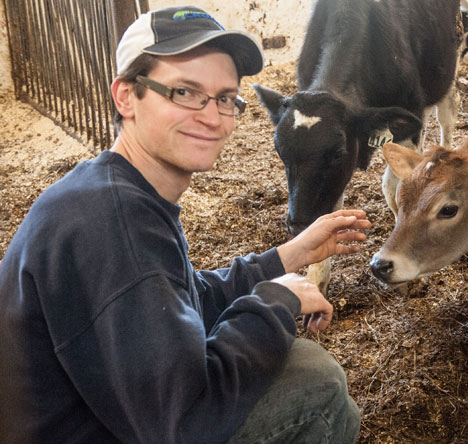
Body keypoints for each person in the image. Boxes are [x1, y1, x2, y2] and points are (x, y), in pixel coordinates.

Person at [0, 5, 368, 443]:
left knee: (329, 395)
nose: (213, 118)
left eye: (226, 98)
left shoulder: (112, 190)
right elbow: (185, 425)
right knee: (317, 381)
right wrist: (272, 302)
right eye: (184, 92)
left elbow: (178, 300)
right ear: (125, 96)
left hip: (103, 411)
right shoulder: (113, 227)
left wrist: (288, 257)